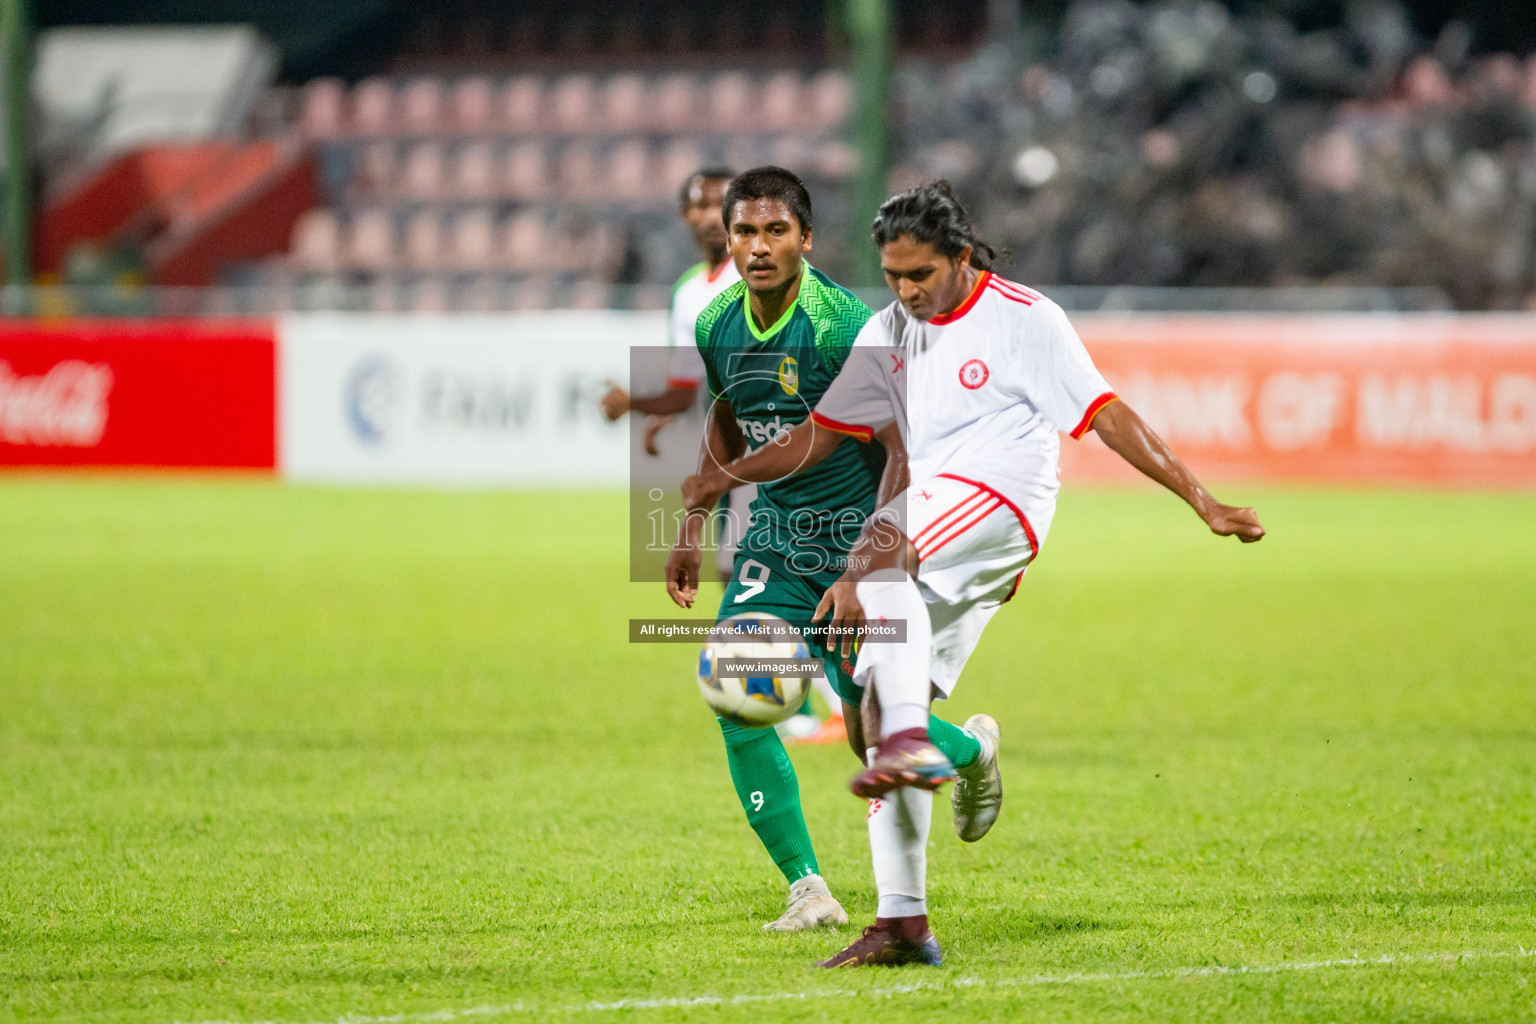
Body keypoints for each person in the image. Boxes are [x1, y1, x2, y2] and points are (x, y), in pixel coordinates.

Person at [680, 181, 1265, 966]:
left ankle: (914, 745)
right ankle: (905, 917)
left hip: (996, 505)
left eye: (921, 275)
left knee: (884, 602)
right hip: (891, 521)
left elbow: (1105, 413)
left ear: (960, 256)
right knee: (872, 726)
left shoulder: (1024, 319)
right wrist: (714, 488)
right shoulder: (883, 329)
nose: (907, 292)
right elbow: (823, 432)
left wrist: (1204, 500)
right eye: (893, 276)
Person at [664, 168, 995, 932]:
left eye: (775, 231)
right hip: (775, 540)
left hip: (860, 541)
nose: (757, 247)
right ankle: (807, 889)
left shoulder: (847, 324)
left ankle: (973, 755)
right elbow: (725, 414)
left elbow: (903, 452)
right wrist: (693, 522)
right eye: (744, 231)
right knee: (737, 694)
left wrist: (864, 567)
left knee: (868, 727)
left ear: (805, 239)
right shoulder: (718, 322)